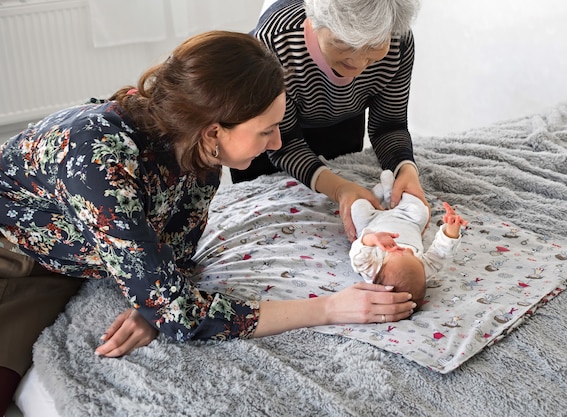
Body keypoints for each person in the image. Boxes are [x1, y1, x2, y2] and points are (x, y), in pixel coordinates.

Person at [0, 31, 417, 414]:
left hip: (85, 252)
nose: (276, 144)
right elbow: (182, 315)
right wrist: (329, 308)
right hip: (17, 258)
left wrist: (153, 302)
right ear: (214, 131)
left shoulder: (201, 157)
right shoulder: (99, 161)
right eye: (267, 131)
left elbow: (177, 259)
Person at [230, 0, 428, 242]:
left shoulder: (399, 40)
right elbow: (284, 145)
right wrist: (338, 188)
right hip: (267, 136)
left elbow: (389, 126)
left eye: (374, 46)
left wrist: (405, 169)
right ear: (314, 20)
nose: (357, 63)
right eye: (343, 43)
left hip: (341, 121)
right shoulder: (274, 42)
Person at [349, 171, 468, 311]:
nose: (407, 250)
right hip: (406, 219)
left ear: (380, 269)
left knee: (357, 207)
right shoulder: (422, 271)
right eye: (413, 256)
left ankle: (376, 198)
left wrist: (371, 239)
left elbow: (357, 256)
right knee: (420, 211)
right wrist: (451, 230)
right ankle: (390, 195)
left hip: (372, 222)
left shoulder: (371, 270)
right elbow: (440, 253)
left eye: (397, 252)